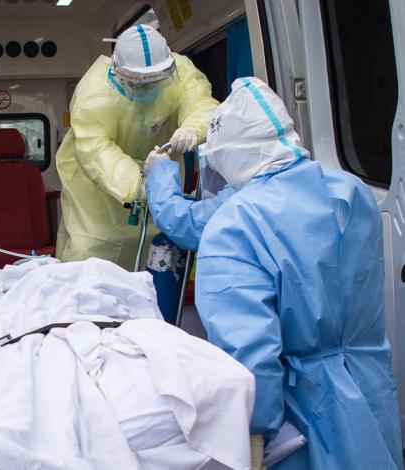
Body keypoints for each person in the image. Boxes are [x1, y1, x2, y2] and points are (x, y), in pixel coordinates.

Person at [144, 77, 403, 469]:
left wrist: (253, 432)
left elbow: (249, 354)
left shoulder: (235, 224)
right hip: (370, 386)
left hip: (304, 411)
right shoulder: (351, 190)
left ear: (228, 156)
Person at [55, 23, 218, 270]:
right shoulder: (93, 95)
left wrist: (194, 128)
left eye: (156, 81)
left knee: (156, 265)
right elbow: (96, 151)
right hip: (96, 200)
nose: (149, 88)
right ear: (118, 71)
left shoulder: (181, 68)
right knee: (90, 266)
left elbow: (201, 101)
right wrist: (146, 184)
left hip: (161, 188)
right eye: (139, 83)